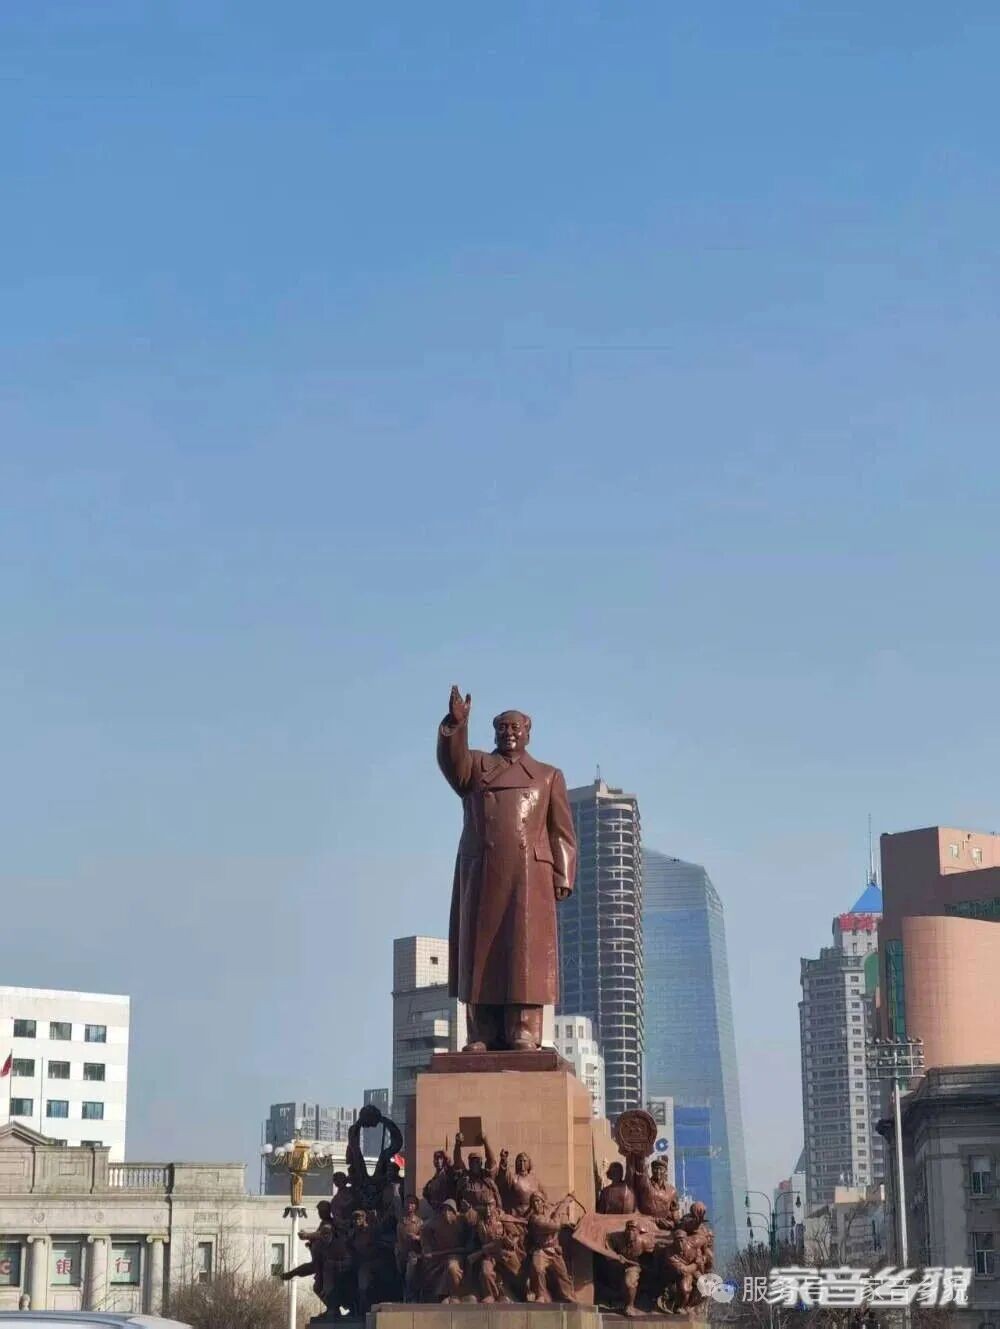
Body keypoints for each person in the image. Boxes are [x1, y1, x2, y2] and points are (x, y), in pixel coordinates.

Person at [438, 686, 576, 1051]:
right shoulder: (476, 768)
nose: (509, 733)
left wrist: (563, 874)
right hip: (482, 871)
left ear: (528, 732)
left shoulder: (547, 775)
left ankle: (524, 1030)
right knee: (481, 951)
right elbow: (451, 763)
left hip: (529, 874)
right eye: (502, 727)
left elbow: (562, 831)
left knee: (525, 952)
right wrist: (456, 724)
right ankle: (481, 1032)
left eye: (516, 727)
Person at [470, 1193, 525, 1302]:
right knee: (486, 1272)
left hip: (504, 1252)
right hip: (488, 1255)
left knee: (518, 1272)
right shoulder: (479, 1222)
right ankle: (491, 1295)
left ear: (494, 1206)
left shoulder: (502, 1219)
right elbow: (474, 1240)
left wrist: (511, 1242)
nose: (488, 1209)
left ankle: (523, 1293)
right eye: (485, 1205)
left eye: (490, 1205)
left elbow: (516, 1234)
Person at [525, 1191, 575, 1303]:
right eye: (533, 1202)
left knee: (563, 1274)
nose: (536, 1204)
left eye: (538, 1201)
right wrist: (558, 1212)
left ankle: (569, 1295)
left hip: (554, 1249)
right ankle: (541, 1295)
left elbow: (557, 1206)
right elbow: (555, 1226)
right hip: (541, 1250)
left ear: (543, 1202)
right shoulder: (535, 1219)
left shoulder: (548, 1211)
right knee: (538, 1269)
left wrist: (567, 1199)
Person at [421, 1199, 471, 1303]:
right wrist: (427, 1249)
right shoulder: (435, 1223)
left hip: (459, 1256)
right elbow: (425, 1231)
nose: (446, 1213)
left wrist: (469, 1209)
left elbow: (474, 1222)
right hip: (440, 1258)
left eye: (450, 1210)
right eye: (444, 1210)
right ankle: (442, 1295)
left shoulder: (461, 1220)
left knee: (452, 1267)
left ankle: (455, 1294)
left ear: (455, 1212)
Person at [454, 1131, 503, 1214]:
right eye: (472, 1162)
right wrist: (458, 1144)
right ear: (469, 1163)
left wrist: (485, 1141)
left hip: (488, 1214)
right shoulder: (465, 1178)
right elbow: (458, 1162)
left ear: (481, 1163)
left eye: (477, 1161)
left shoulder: (487, 1177)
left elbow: (491, 1160)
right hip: (469, 1214)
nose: (474, 1164)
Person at [499, 1149, 546, 1217]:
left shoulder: (535, 1180)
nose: (522, 1163)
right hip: (517, 1214)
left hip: (533, 1214)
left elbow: (544, 1197)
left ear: (529, 1163)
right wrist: (504, 1160)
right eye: (520, 1161)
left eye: (524, 1161)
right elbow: (502, 1177)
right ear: (516, 1163)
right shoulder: (512, 1178)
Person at [395, 1195, 424, 1301]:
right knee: (402, 1275)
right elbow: (399, 1239)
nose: (409, 1205)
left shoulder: (420, 1222)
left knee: (410, 1275)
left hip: (415, 1254)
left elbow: (425, 1239)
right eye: (407, 1203)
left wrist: (416, 1237)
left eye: (412, 1203)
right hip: (403, 1253)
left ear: (416, 1206)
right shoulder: (401, 1222)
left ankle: (411, 1297)